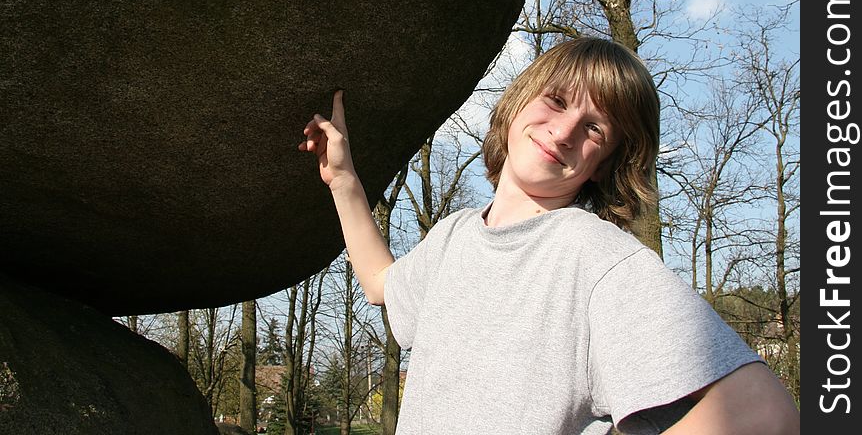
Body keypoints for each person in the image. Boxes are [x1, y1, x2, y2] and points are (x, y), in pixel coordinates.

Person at [298, 37, 799, 434]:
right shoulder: (455, 235)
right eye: (555, 101)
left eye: (595, 129)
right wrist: (343, 179)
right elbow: (380, 282)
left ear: (606, 166)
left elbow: (764, 415)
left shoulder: (599, 260)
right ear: (517, 102)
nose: (562, 132)